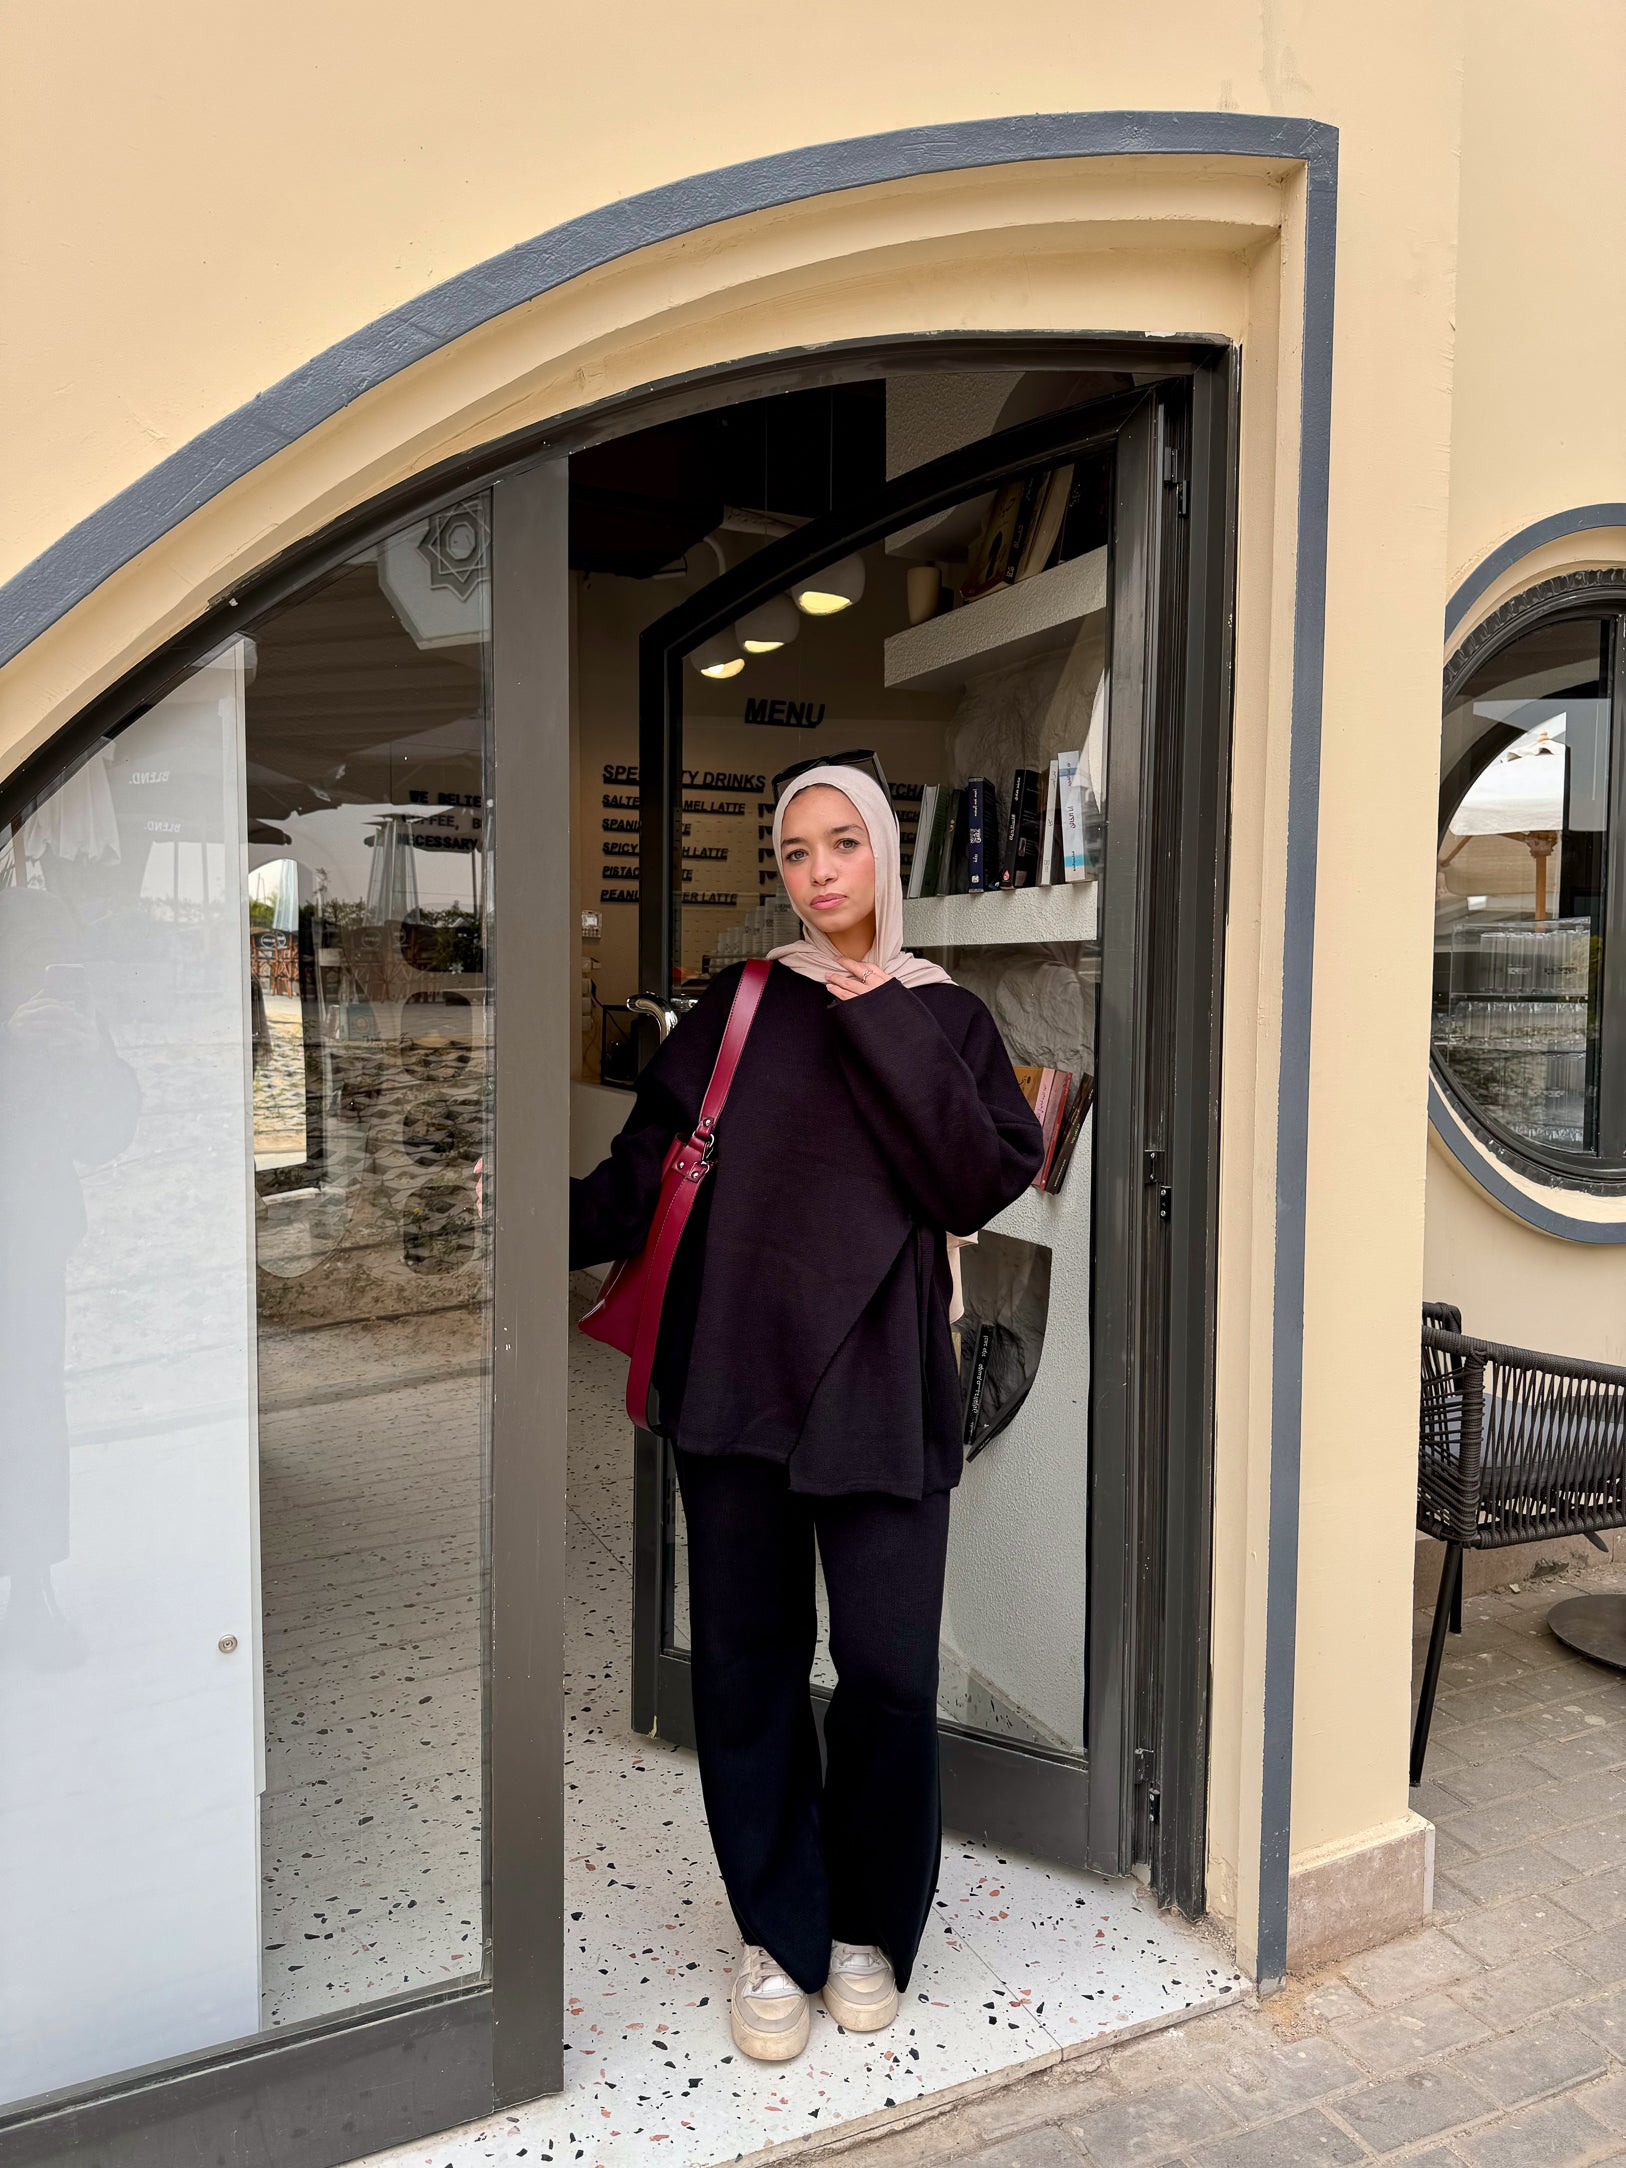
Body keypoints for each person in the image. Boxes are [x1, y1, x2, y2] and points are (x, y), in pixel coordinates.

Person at [569, 764, 1043, 2062]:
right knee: (745, 1671)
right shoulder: (737, 1004)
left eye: (843, 844)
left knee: (888, 1677)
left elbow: (970, 1179)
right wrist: (523, 1220)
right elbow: (644, 1168)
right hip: (735, 1373)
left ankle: (865, 1930)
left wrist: (878, 1008)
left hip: (882, 1381)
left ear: (885, 856)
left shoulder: (943, 1013)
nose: (819, 870)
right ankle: (779, 1933)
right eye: (794, 851)